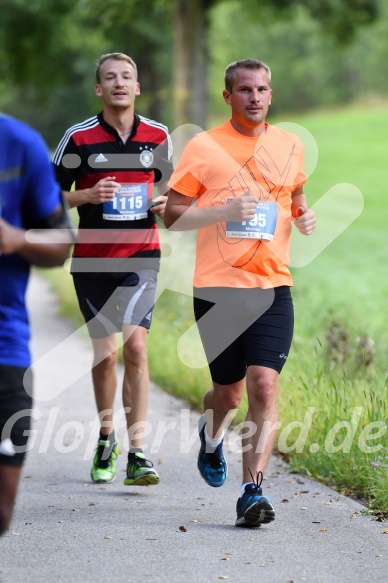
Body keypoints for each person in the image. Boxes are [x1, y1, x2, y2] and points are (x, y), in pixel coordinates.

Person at [164, 59, 316, 527]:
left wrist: (304, 216)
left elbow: (296, 198)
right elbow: (171, 214)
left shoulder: (290, 145)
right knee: (227, 396)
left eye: (262, 89)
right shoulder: (204, 147)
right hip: (217, 289)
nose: (255, 96)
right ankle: (211, 437)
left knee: (264, 384)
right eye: (245, 89)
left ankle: (252, 491)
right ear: (228, 96)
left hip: (273, 286)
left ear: (271, 95)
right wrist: (223, 210)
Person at [52, 53, 174, 486]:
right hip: (93, 262)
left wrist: (164, 204)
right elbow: (46, 197)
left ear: (137, 87)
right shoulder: (79, 137)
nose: (119, 83)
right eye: (110, 78)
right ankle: (107, 439)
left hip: (142, 259)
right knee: (106, 356)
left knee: (137, 350)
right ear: (99, 89)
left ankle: (138, 452)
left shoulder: (157, 135)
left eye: (127, 77)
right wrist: (85, 197)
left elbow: (170, 195)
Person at [0, 113, 72, 536]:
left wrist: (16, 238)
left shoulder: (21, 144)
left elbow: (62, 244)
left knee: (1, 514)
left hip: (5, 348)